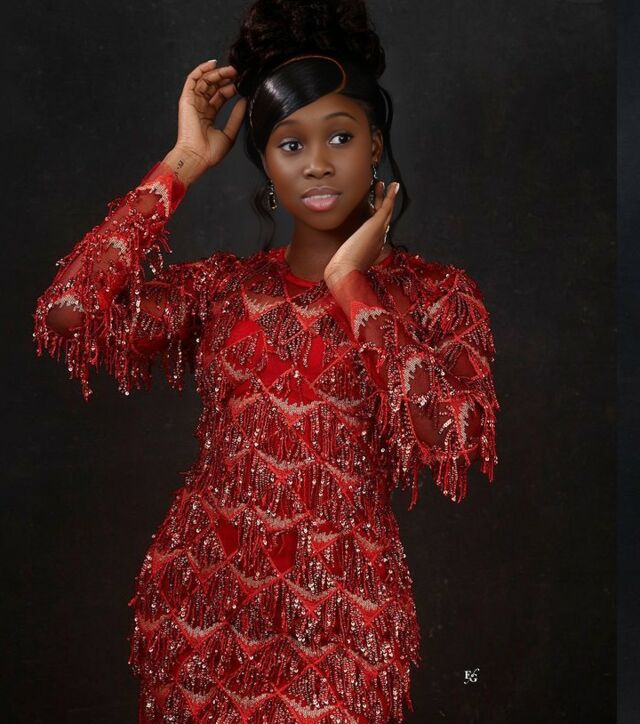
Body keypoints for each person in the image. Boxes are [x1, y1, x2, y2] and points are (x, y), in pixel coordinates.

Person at [32, 1, 500, 721]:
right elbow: (70, 313)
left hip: (344, 615)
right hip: (203, 607)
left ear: (375, 144)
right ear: (267, 166)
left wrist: (350, 285)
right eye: (289, 145)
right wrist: (184, 163)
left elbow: (452, 436)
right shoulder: (226, 288)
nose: (317, 163)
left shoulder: (439, 296)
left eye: (340, 136)